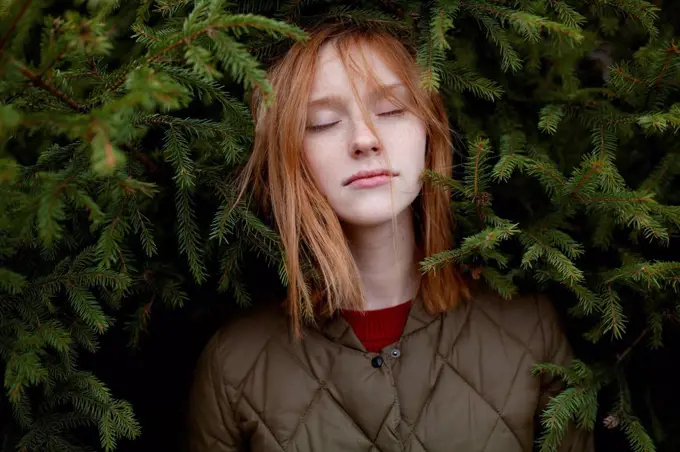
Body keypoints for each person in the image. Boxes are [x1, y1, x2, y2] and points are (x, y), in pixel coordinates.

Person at [187, 21, 594, 452]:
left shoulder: (530, 328)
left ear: (429, 130)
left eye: (391, 110)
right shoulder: (235, 364)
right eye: (323, 122)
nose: (365, 139)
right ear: (289, 152)